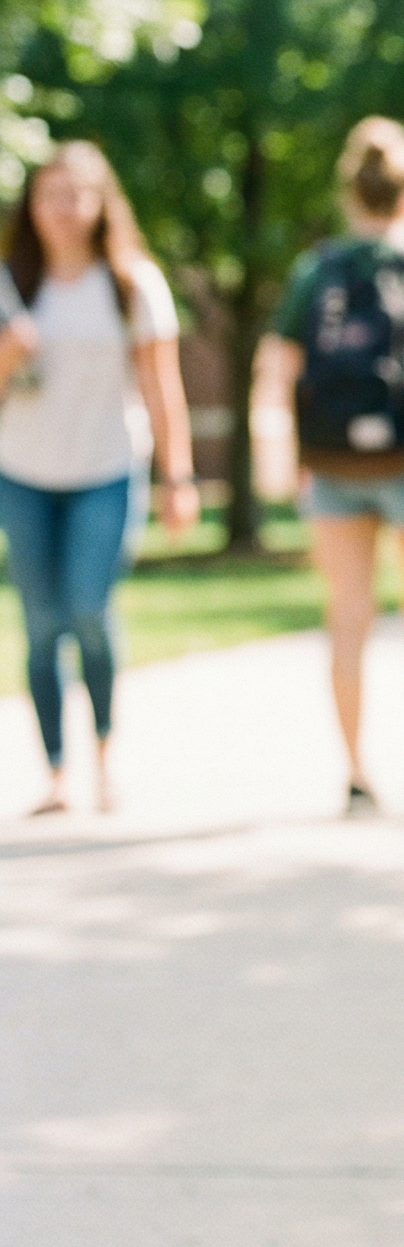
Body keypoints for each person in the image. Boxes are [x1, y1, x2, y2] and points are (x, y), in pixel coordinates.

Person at [260, 117, 404, 815]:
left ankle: (357, 775)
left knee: (348, 618)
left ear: (350, 193)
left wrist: (283, 452)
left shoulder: (318, 271)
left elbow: (278, 369)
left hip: (334, 466)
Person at [0, 142, 199, 814]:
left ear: (98, 203)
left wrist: (180, 477)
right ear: (31, 205)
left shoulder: (131, 283)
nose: (60, 209)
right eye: (48, 195)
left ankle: (106, 757)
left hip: (106, 470)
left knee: (88, 610)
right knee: (40, 624)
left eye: (73, 195)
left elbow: (162, 385)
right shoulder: (12, 284)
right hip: (24, 473)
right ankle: (56, 772)